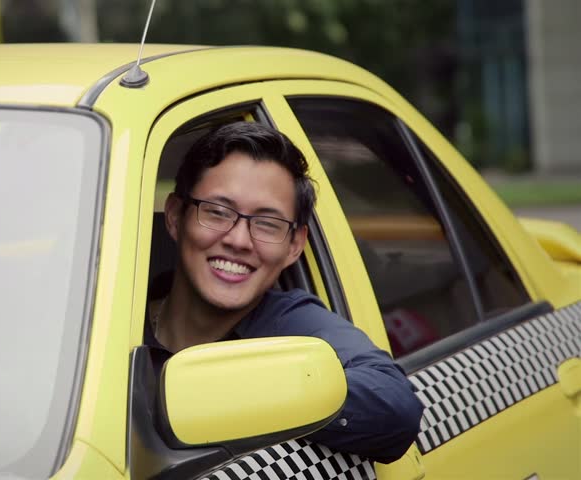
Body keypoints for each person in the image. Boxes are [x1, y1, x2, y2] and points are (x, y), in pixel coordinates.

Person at [145, 121, 424, 463]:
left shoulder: (291, 322)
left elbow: (396, 407)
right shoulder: (107, 320)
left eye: (266, 223)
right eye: (217, 212)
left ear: (295, 246)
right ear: (174, 216)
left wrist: (237, 388)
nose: (238, 240)